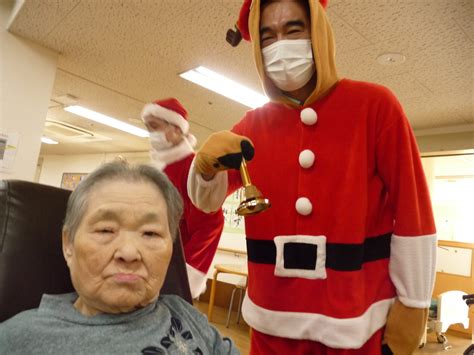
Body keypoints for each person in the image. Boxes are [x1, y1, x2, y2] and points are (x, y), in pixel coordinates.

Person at [187, 0, 437, 354]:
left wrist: (413, 306)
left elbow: (415, 215)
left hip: (355, 323)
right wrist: (204, 169)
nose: (281, 46)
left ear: (317, 31)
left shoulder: (375, 106)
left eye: (293, 29)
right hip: (271, 324)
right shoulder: (252, 125)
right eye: (268, 36)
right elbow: (206, 202)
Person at [0, 161, 239, 355]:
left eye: (150, 233)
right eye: (106, 230)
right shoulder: (18, 339)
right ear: (68, 244)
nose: (129, 253)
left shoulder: (184, 313)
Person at [141, 98, 224, 299]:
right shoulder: (161, 170)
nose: (152, 135)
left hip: (172, 273)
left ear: (177, 129)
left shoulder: (194, 170)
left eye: (155, 127)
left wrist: (181, 270)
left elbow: (210, 225)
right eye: (148, 128)